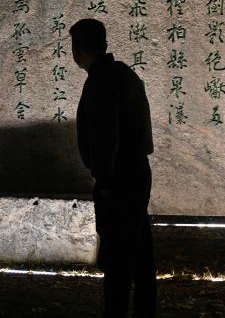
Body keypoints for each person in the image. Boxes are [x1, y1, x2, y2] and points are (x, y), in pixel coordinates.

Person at [71, 18, 156, 317]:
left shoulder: (101, 81)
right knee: (140, 252)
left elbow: (107, 136)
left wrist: (104, 181)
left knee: (119, 258)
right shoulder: (124, 74)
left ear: (77, 50)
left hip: (118, 178)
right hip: (136, 172)